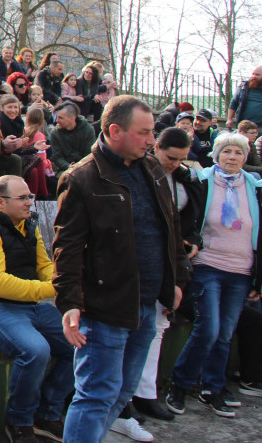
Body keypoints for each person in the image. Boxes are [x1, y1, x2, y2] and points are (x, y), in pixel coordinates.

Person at [53, 95, 189, 443]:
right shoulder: (81, 178)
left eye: (152, 132)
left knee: (122, 391)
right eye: (144, 132)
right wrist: (69, 302)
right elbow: (66, 248)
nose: (151, 140)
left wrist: (176, 278)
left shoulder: (152, 167)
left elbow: (170, 227)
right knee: (96, 394)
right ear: (115, 130)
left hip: (147, 303)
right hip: (105, 308)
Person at [0, 175, 71, 443]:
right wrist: (53, 290)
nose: (31, 203)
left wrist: (60, 281)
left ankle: (48, 412)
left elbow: (44, 264)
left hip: (26, 304)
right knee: (35, 350)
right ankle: (19, 422)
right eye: (23, 198)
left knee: (81, 341)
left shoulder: (26, 222)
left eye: (31, 196)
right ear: (0, 202)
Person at [167, 132, 262, 418]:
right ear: (216, 154)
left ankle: (213, 388)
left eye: (238, 153)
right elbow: (185, 211)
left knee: (224, 333)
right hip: (209, 264)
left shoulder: (254, 186)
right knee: (208, 329)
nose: (232, 157)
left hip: (241, 269)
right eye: (227, 152)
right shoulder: (203, 181)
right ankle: (179, 386)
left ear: (245, 157)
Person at [127, 127, 202, 424]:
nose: (175, 163)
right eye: (171, 157)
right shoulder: (141, 173)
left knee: (157, 328)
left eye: (182, 159)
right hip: (144, 261)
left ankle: (146, 394)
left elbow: (186, 218)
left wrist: (192, 238)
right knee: (138, 330)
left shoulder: (184, 177)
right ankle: (128, 399)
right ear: (156, 146)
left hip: (170, 260)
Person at [48, 103, 96, 175]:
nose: (56, 121)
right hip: (65, 170)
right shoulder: (55, 133)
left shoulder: (88, 129)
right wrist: (69, 167)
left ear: (72, 119)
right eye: (56, 117)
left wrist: (78, 167)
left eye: (60, 118)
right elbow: (57, 157)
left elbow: (89, 154)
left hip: (86, 169)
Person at [227, 65, 262, 129]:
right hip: (244, 125)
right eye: (253, 74)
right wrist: (229, 119)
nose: (253, 76)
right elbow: (234, 103)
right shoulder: (244, 87)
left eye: (257, 75)